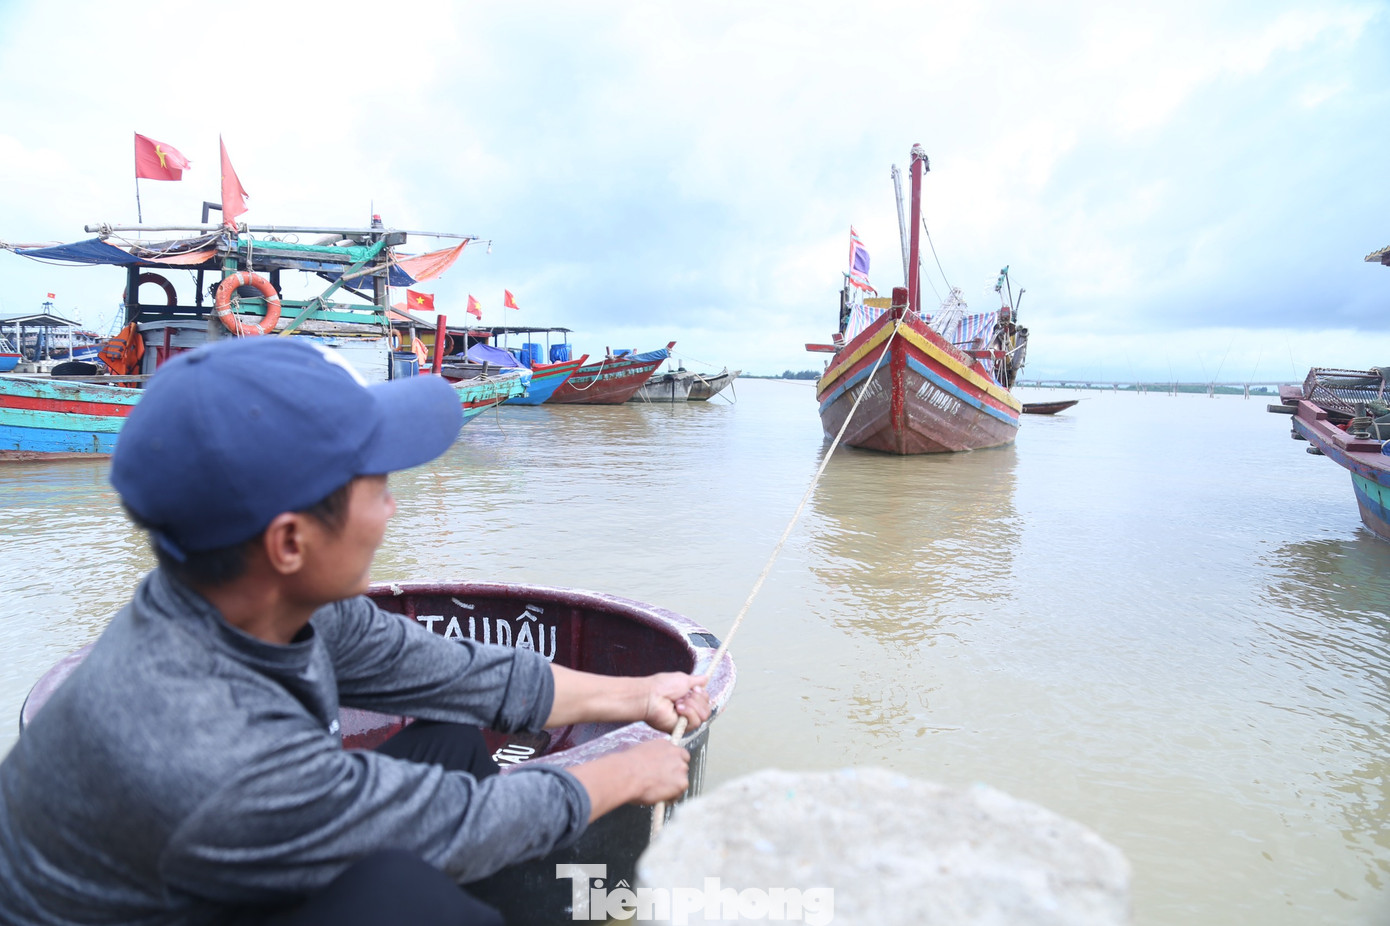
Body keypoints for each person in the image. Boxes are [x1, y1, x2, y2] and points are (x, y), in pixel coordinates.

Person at [0, 338, 710, 925]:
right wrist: (619, 773)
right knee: (424, 908)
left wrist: (640, 693)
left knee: (455, 734)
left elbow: (462, 674)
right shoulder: (201, 746)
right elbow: (451, 824)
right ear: (289, 543)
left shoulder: (255, 602)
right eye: (379, 488)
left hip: (216, 866)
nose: (392, 510)